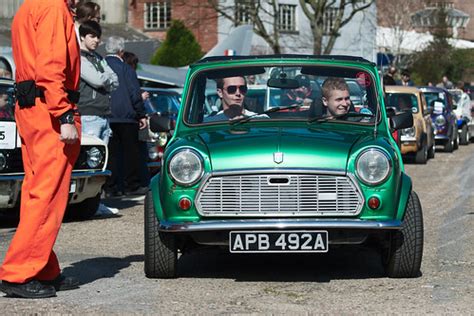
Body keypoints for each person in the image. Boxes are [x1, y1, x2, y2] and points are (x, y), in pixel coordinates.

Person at [0, 0, 81, 299]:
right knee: (48, 195)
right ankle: (19, 273)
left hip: (32, 109)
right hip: (49, 112)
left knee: (38, 193)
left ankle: (43, 268)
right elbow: (50, 68)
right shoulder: (52, 7)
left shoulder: (29, 6)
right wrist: (65, 115)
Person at [104, 36, 148, 196]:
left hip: (106, 115)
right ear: (121, 51)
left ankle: (110, 187)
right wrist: (141, 114)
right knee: (131, 153)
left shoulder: (100, 66)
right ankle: (132, 185)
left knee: (111, 153)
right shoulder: (126, 69)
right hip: (126, 116)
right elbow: (134, 94)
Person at [77, 20, 118, 144]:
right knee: (91, 157)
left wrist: (103, 77)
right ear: (82, 36)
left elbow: (115, 81)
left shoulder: (98, 57)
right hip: (88, 115)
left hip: (104, 114)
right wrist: (105, 78)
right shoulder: (79, 57)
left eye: (98, 37)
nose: (96, 40)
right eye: (92, 36)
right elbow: (97, 81)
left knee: (102, 157)